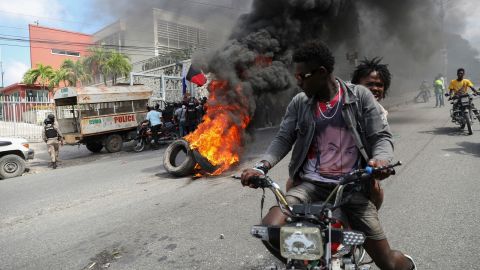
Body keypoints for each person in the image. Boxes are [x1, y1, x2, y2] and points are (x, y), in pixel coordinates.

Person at [241, 40, 416, 270]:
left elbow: (381, 137)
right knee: (271, 230)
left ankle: (408, 264)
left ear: (322, 73)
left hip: (351, 188)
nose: (298, 81)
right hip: (310, 186)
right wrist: (262, 167)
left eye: (303, 76)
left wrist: (381, 159)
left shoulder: (360, 96)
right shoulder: (300, 103)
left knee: (388, 263)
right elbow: (283, 138)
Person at [351, 57, 392, 210]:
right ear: (356, 87)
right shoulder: (342, 103)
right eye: (369, 84)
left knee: (376, 193)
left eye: (379, 85)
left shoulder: (381, 112)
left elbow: (382, 139)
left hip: (360, 170)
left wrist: (380, 160)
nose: (375, 88)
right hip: (329, 169)